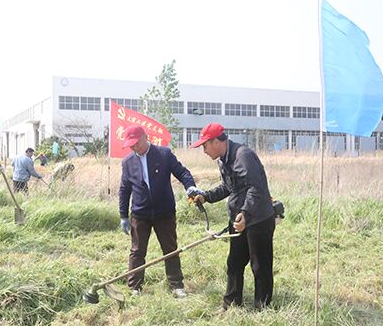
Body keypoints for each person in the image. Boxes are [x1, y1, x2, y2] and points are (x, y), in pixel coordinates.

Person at [191, 123, 275, 310]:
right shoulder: (223, 160)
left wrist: (245, 213)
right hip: (239, 219)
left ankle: (262, 307)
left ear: (216, 141)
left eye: (205, 146)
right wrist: (206, 196)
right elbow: (228, 187)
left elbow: (256, 188)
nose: (204, 151)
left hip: (258, 219)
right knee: (234, 263)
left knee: (260, 266)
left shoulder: (242, 156)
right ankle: (231, 304)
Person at [118, 125, 202, 298]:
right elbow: (124, 189)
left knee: (170, 248)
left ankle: (176, 285)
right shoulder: (127, 162)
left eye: (136, 143)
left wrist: (190, 187)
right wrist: (123, 215)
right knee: (137, 251)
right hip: (140, 213)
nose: (134, 147)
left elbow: (182, 172)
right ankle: (135, 288)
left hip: (164, 212)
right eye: (131, 145)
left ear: (145, 137)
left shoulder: (163, 154)